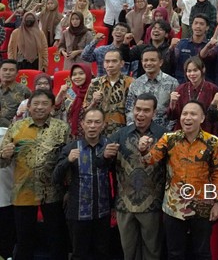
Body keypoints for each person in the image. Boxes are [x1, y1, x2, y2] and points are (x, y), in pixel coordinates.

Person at [138, 100, 218, 260]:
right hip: (174, 205)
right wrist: (143, 150)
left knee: (202, 253)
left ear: (202, 118)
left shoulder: (212, 142)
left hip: (202, 205)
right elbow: (150, 160)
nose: (188, 117)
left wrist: (217, 203)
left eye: (193, 114)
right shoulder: (169, 138)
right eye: (185, 114)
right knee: (175, 252)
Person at [0, 88, 69, 260]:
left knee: (56, 238)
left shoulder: (62, 128)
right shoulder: (16, 127)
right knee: (24, 239)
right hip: (23, 191)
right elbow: (3, 163)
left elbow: (67, 160)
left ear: (52, 107)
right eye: (36, 104)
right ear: (28, 107)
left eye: (45, 104)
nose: (40, 107)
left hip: (53, 191)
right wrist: (3, 155)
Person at [108, 94, 166, 260]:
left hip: (152, 205)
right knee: (128, 252)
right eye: (138, 109)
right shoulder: (120, 134)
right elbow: (103, 163)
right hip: (124, 205)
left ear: (154, 113)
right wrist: (104, 155)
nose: (140, 114)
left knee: (152, 251)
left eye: (146, 110)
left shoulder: (164, 136)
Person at [53, 107, 115, 260]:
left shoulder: (110, 146)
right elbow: (55, 178)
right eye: (89, 122)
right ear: (82, 124)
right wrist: (67, 161)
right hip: (78, 212)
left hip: (103, 211)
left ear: (103, 125)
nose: (92, 126)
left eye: (97, 122)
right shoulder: (71, 148)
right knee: (79, 254)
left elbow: (119, 176)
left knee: (103, 252)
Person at [82, 48, 133, 137]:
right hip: (98, 134)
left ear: (121, 63)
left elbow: (134, 111)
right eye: (107, 61)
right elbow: (86, 112)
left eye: (114, 61)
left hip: (123, 133)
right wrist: (93, 102)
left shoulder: (131, 83)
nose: (110, 65)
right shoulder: (95, 83)